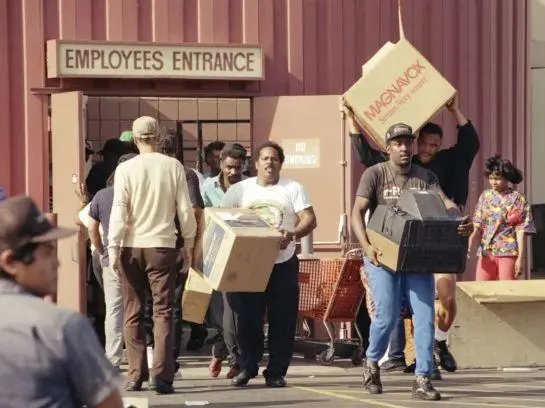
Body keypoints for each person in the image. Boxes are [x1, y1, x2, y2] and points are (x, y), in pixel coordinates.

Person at [344, 94, 480, 376]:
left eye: (407, 142)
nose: (404, 147)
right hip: (383, 256)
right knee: (387, 316)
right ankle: (373, 362)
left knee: (426, 315)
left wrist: (459, 221)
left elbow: (446, 204)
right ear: (389, 147)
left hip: (419, 255)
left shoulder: (426, 176)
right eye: (398, 143)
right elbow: (357, 211)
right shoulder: (375, 173)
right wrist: (367, 247)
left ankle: (425, 376)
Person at [0, 196, 124, 408]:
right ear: (11, 262)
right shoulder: (63, 325)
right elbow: (108, 403)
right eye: (47, 252)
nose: (56, 262)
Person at [108, 116, 197, 394]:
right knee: (164, 312)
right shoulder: (174, 166)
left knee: (132, 311)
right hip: (163, 245)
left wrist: (113, 247)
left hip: (131, 245)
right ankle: (162, 376)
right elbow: (185, 210)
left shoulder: (126, 169)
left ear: (134, 139)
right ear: (157, 136)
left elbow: (119, 210)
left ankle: (135, 375)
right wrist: (190, 243)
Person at [223, 141, 317, 388]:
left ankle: (276, 372)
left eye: (274, 159)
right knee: (248, 319)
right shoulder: (239, 191)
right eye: (264, 158)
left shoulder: (293, 188)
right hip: (249, 265)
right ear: (255, 163)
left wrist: (292, 234)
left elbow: (309, 219)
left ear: (280, 163)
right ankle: (247, 367)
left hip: (282, 263)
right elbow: (221, 221)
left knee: (283, 320)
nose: (269, 162)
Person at [87, 153, 138, 370]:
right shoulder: (142, 194)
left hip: (111, 259)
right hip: (140, 257)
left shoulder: (103, 195)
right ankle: (141, 359)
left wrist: (101, 250)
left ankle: (113, 359)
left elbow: (91, 227)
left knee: (114, 309)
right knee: (140, 309)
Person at [201, 143, 247, 379]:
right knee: (220, 313)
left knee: (238, 312)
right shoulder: (207, 188)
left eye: (237, 168)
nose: (233, 172)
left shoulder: (250, 187)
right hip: (216, 254)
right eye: (229, 167)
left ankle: (233, 358)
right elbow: (201, 218)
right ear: (220, 164)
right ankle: (223, 353)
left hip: (243, 256)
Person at [468, 155, 535, 280]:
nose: (494, 182)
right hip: (486, 252)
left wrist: (520, 258)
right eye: (491, 178)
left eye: (498, 178)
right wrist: (471, 240)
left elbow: (521, 231)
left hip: (508, 252)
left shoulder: (518, 198)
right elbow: (478, 223)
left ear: (507, 178)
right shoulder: (485, 196)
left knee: (507, 291)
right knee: (481, 291)